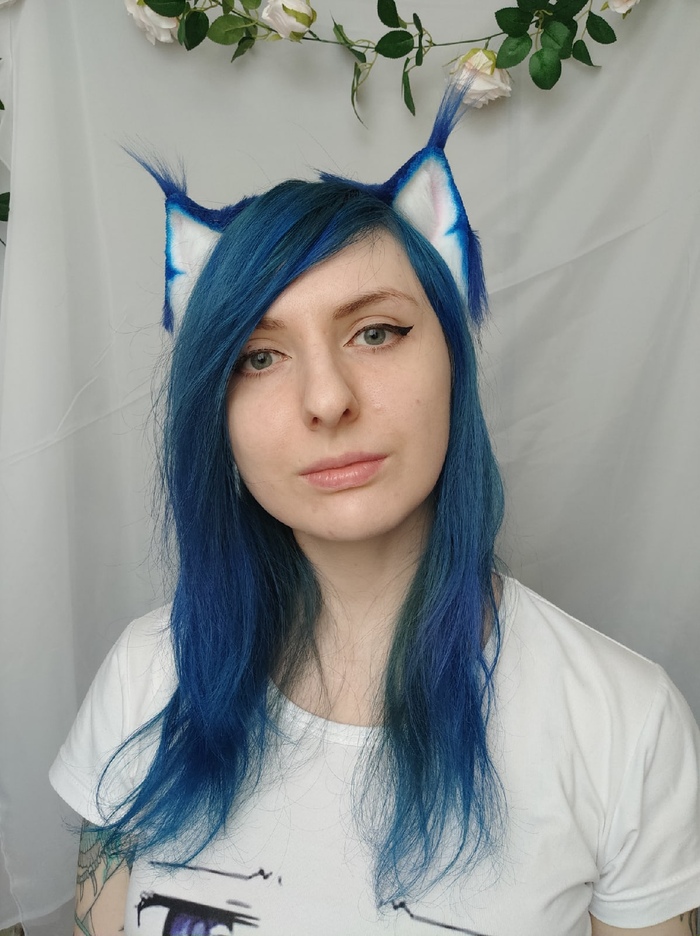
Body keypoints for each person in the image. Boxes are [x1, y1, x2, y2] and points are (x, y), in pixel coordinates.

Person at [50, 84, 700, 936]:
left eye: (377, 332)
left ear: (453, 362)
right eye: (258, 357)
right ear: (217, 414)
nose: (327, 399)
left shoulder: (623, 723)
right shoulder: (145, 676)